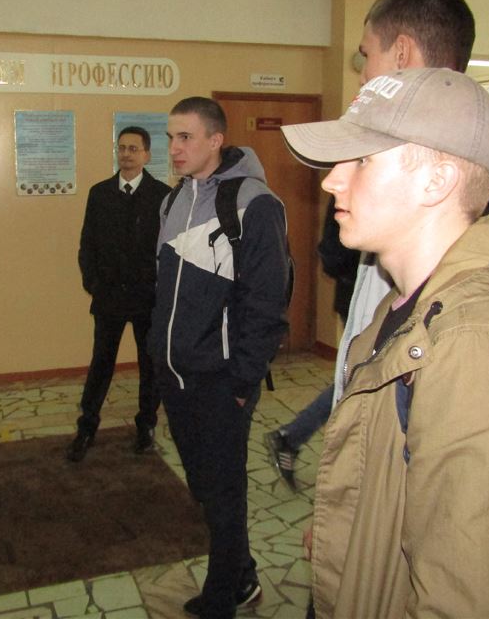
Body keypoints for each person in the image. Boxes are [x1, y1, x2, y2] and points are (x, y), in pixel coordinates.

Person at [281, 66, 489, 618]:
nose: (331, 181)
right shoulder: (406, 303)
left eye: (361, 161)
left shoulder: (485, 347)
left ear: (437, 181)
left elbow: (470, 596)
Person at [264, 0, 489, 485]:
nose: (332, 182)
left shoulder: (479, 339)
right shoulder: (412, 238)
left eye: (363, 161)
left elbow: (465, 500)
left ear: (401, 52)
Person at [149, 96, 290, 619]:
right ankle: (243, 574)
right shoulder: (173, 201)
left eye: (185, 137)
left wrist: (243, 380)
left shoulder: (254, 203)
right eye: (170, 137)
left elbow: (268, 301)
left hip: (221, 377)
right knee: (203, 484)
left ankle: (222, 594)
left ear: (216, 140)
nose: (174, 148)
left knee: (224, 489)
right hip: (176, 373)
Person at [67, 126, 171, 462]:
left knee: (150, 365)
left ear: (147, 155)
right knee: (101, 364)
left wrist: (161, 289)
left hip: (147, 298)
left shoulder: (162, 195)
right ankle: (87, 427)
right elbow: (87, 245)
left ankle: (146, 426)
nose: (126, 154)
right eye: (122, 148)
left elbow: (169, 249)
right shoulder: (100, 193)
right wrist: (93, 284)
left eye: (133, 149)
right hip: (109, 296)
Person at [264, 197, 357, 489]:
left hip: (376, 301)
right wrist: (362, 275)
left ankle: (290, 437)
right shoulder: (352, 187)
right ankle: (291, 437)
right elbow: (331, 252)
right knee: (355, 381)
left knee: (354, 381)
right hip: (363, 302)